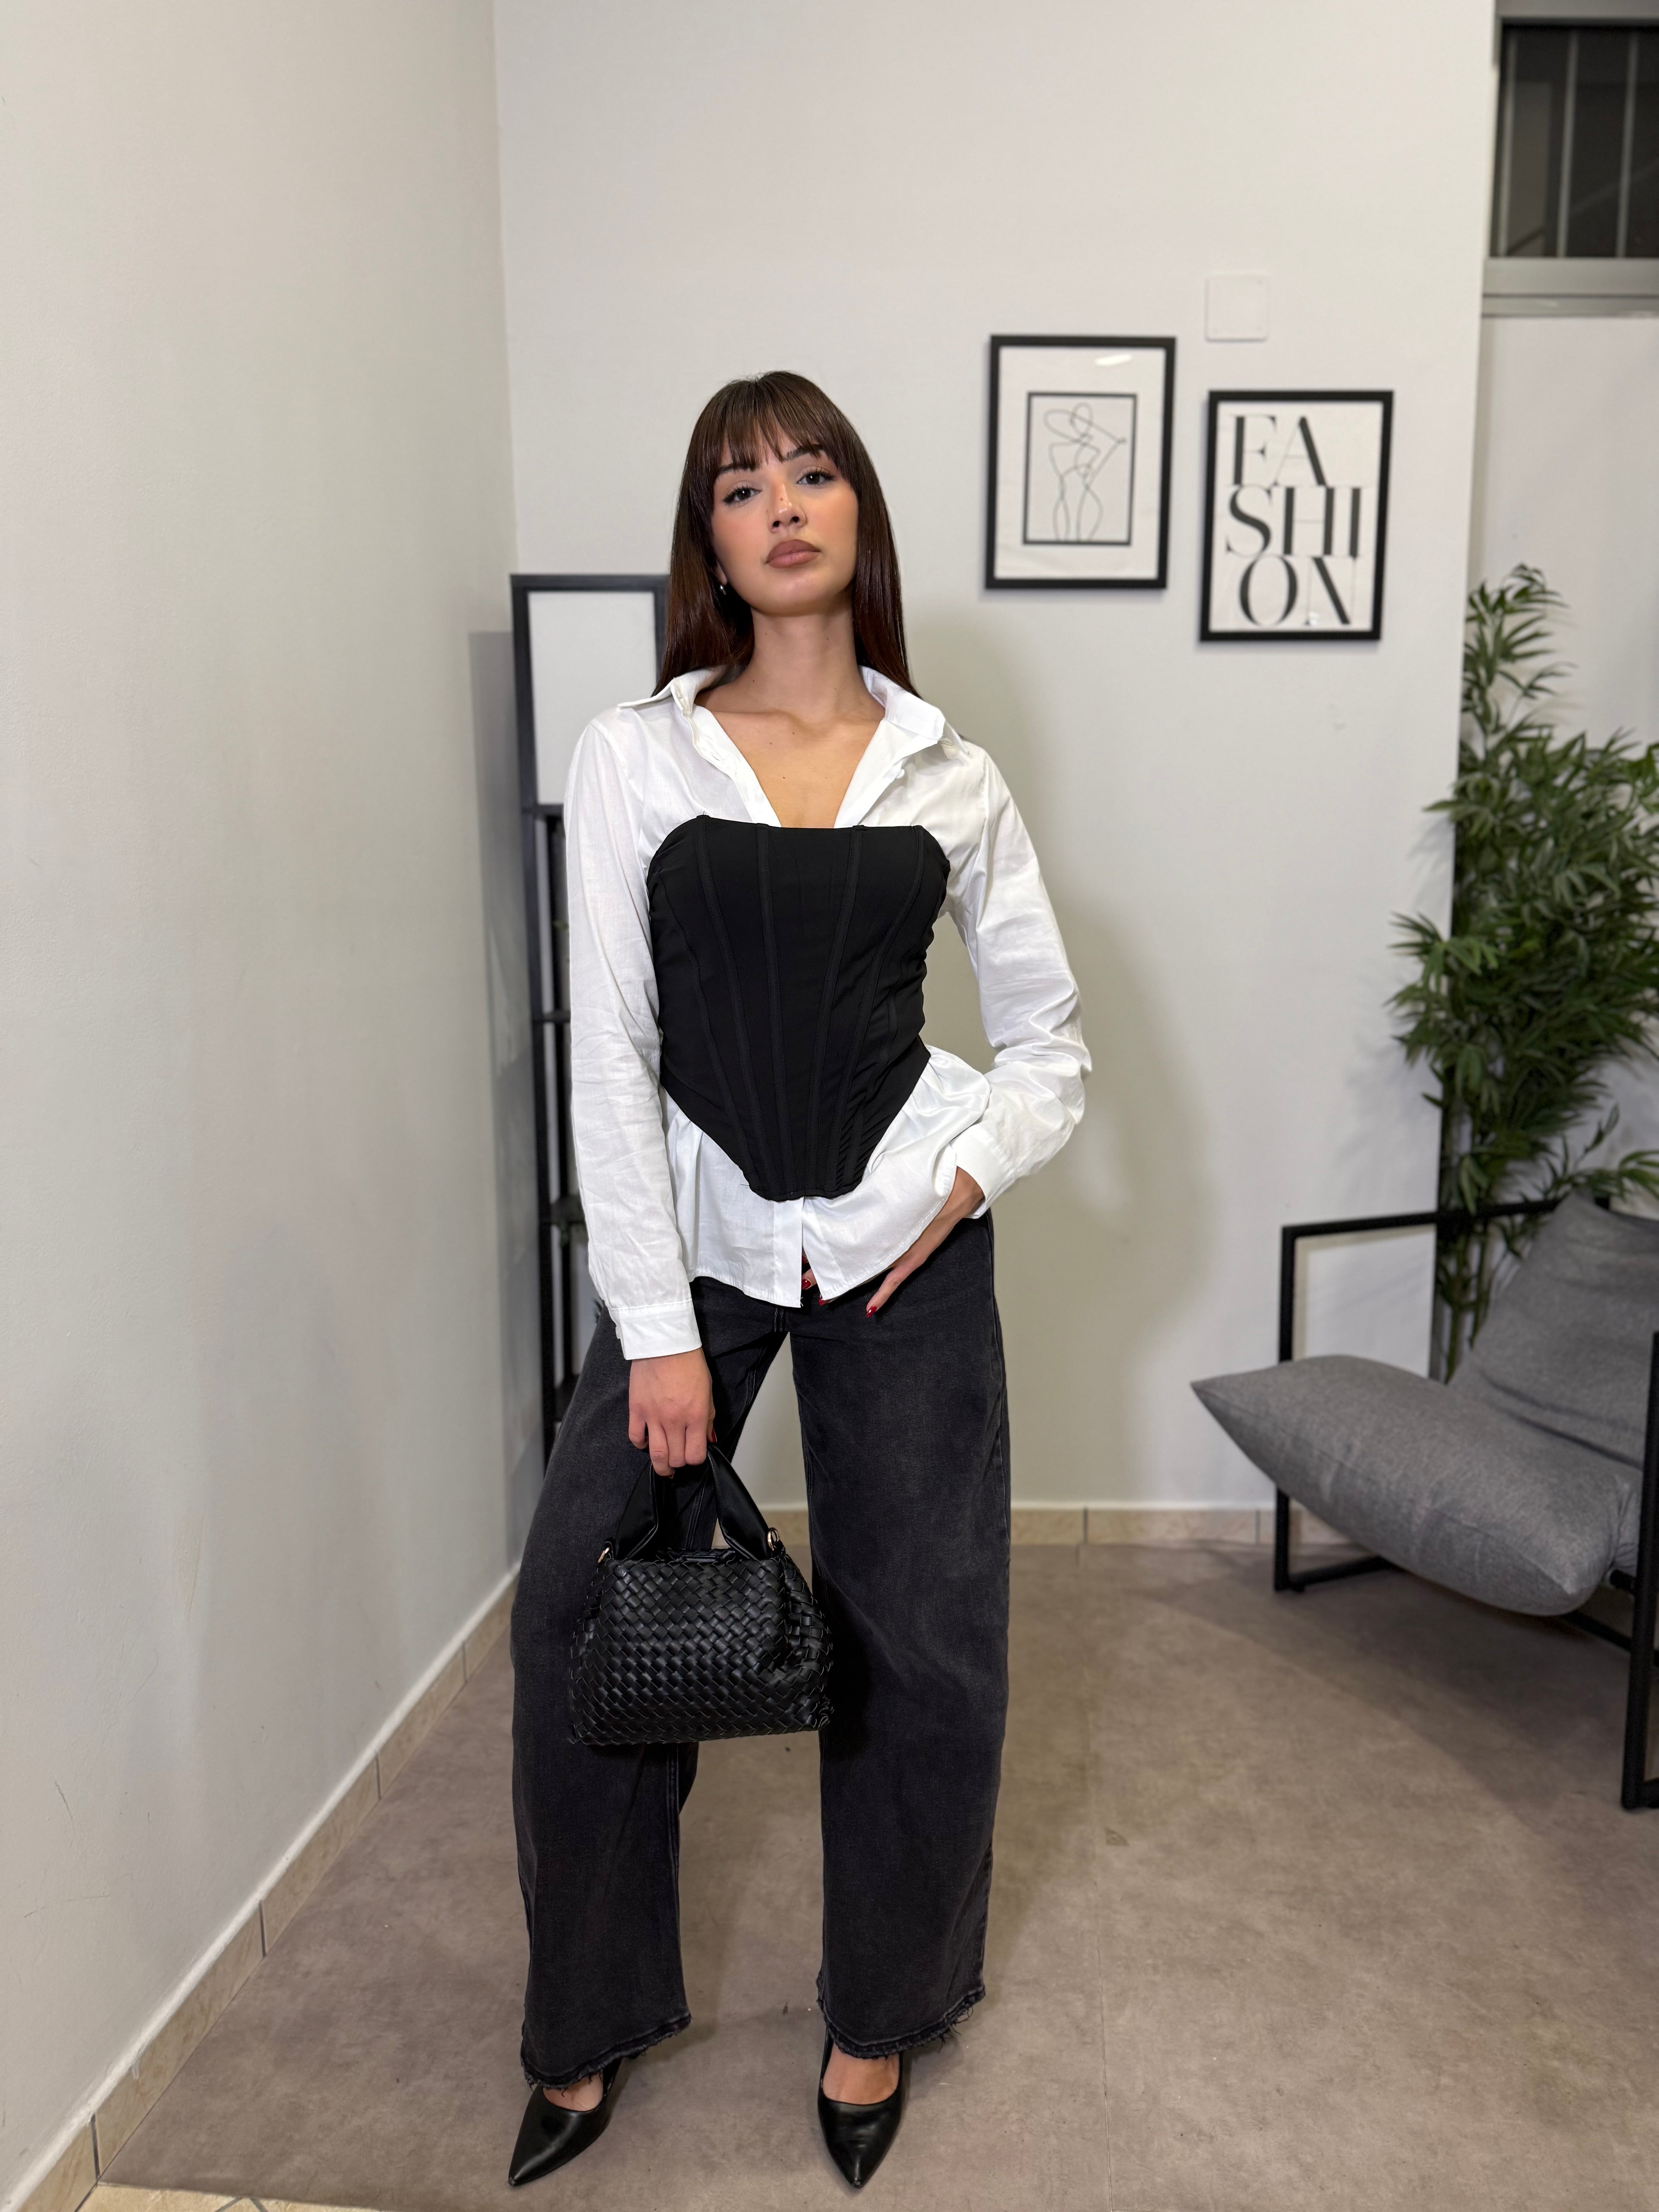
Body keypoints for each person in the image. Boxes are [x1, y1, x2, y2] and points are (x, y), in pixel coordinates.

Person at [507, 371, 1089, 2191]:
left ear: (857, 513)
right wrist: (659, 1333)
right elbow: (612, 1055)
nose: (782, 505)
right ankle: (586, 2026)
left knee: (928, 1638)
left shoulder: (952, 773)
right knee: (575, 1614)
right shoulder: (638, 756)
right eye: (742, 484)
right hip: (702, 1248)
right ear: (709, 538)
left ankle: (877, 2017)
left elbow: (1051, 1042)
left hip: (909, 1245)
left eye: (813, 472)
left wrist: (970, 1171)